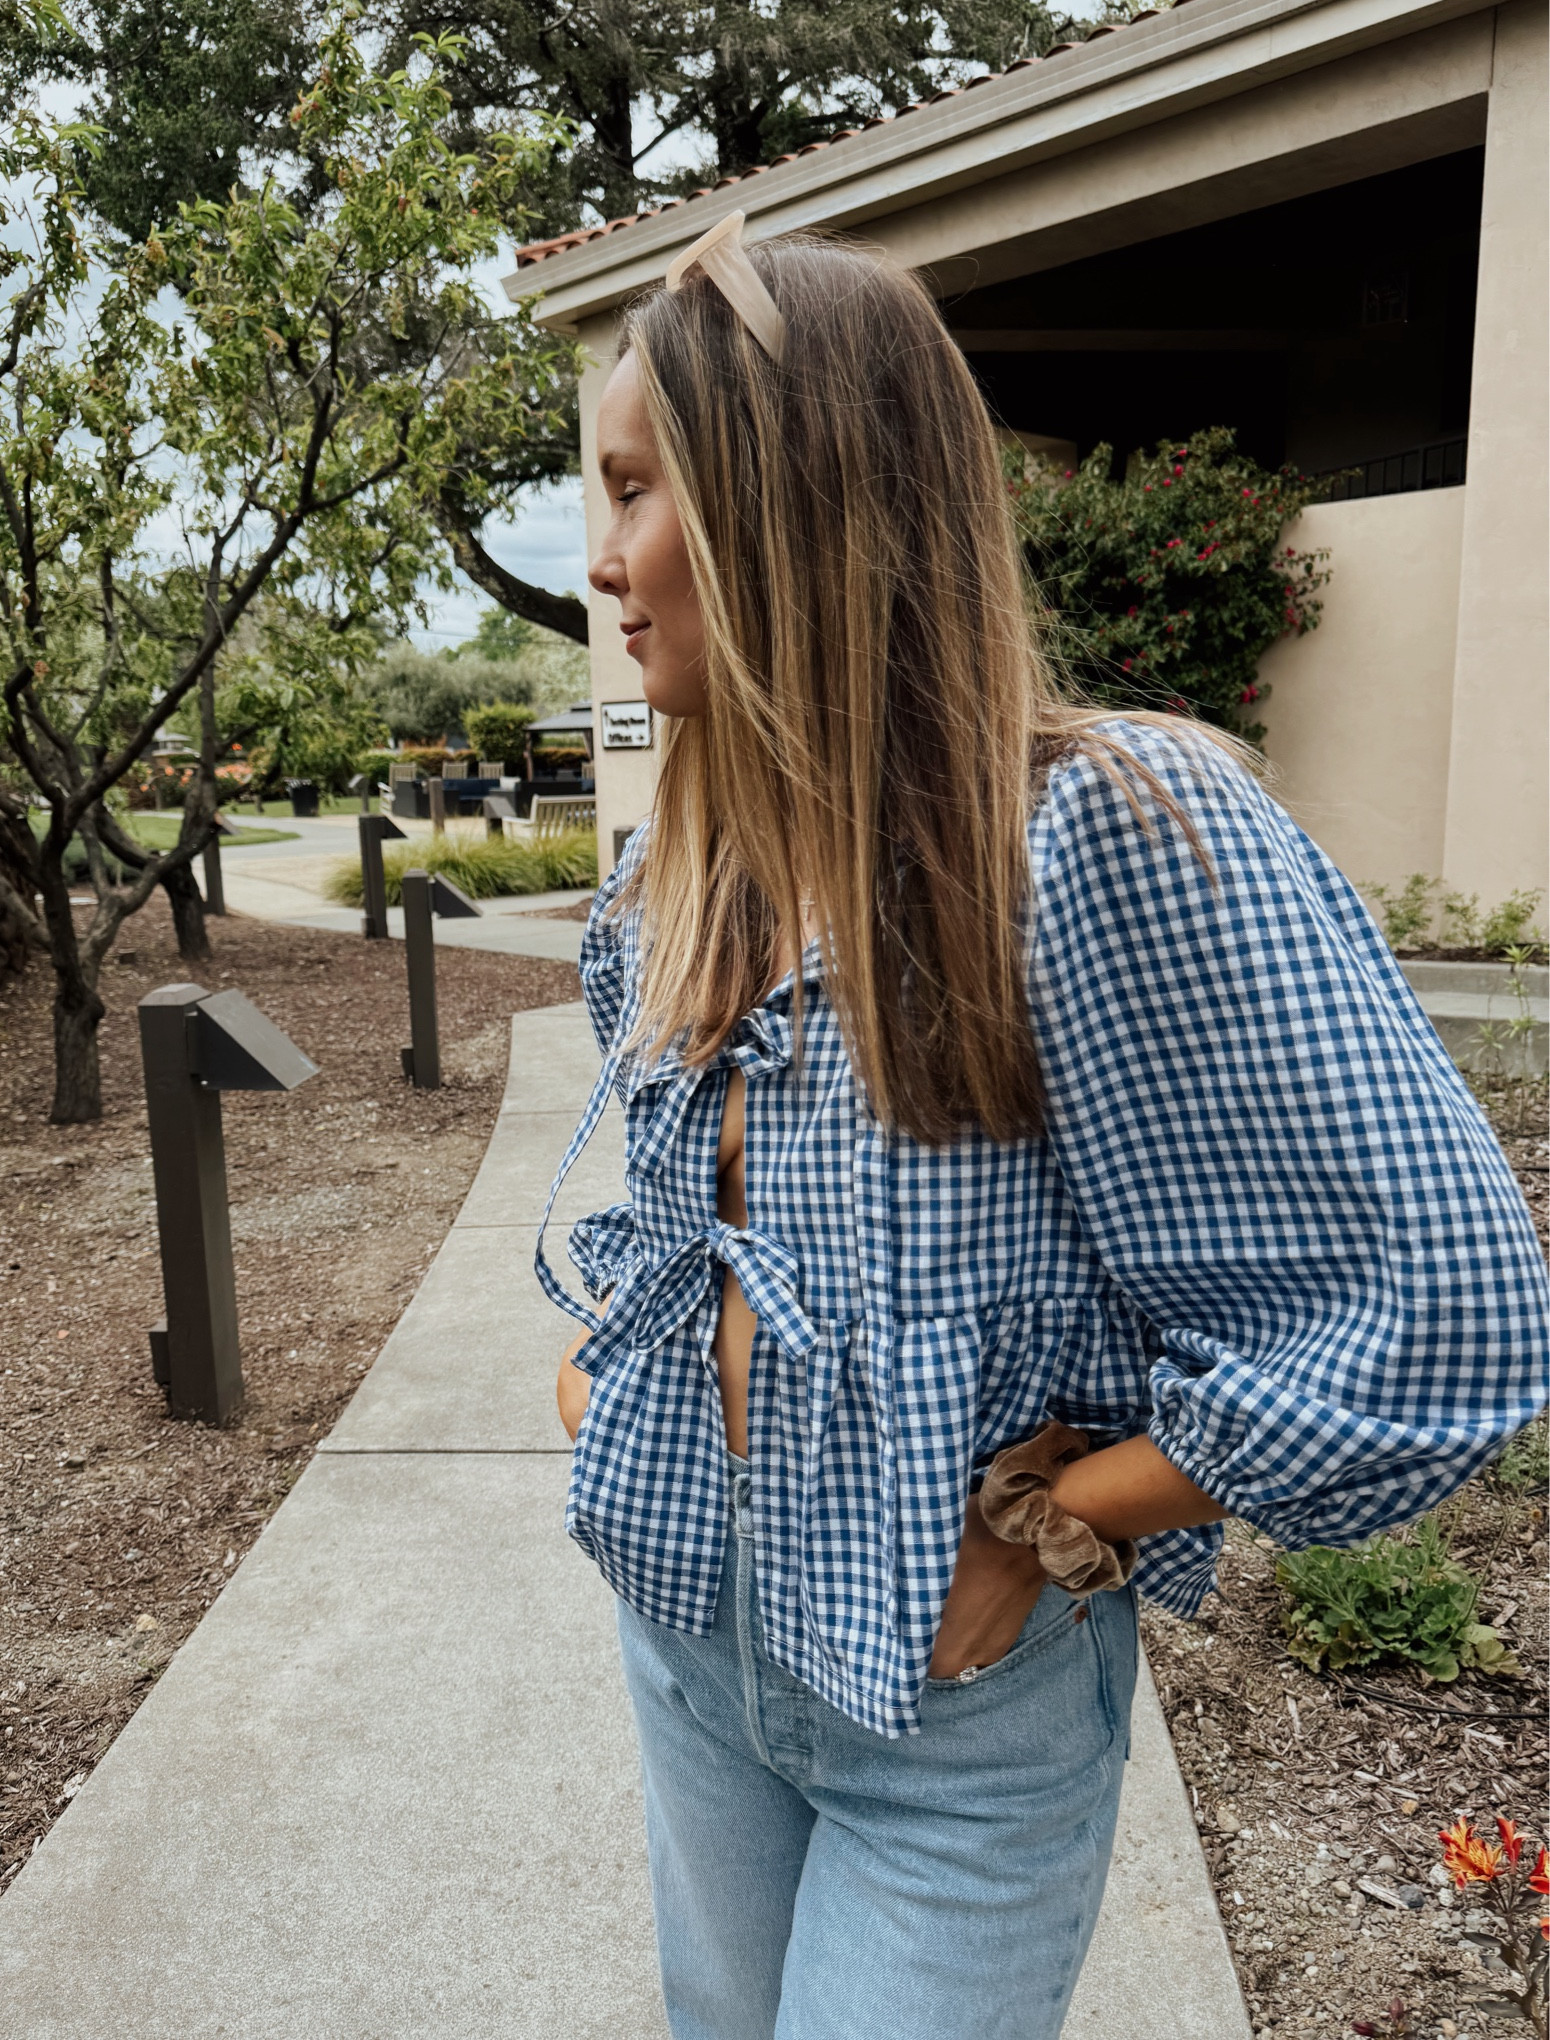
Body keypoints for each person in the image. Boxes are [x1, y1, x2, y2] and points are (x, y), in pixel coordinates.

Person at [536, 215, 1548, 2040]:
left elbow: (1439, 1308)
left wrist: (1058, 1518)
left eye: (634, 491)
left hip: (955, 1703)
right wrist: (607, 1379)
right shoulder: (665, 880)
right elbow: (678, 1228)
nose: (597, 559)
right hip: (689, 1634)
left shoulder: (1098, 838)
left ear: (787, 499)